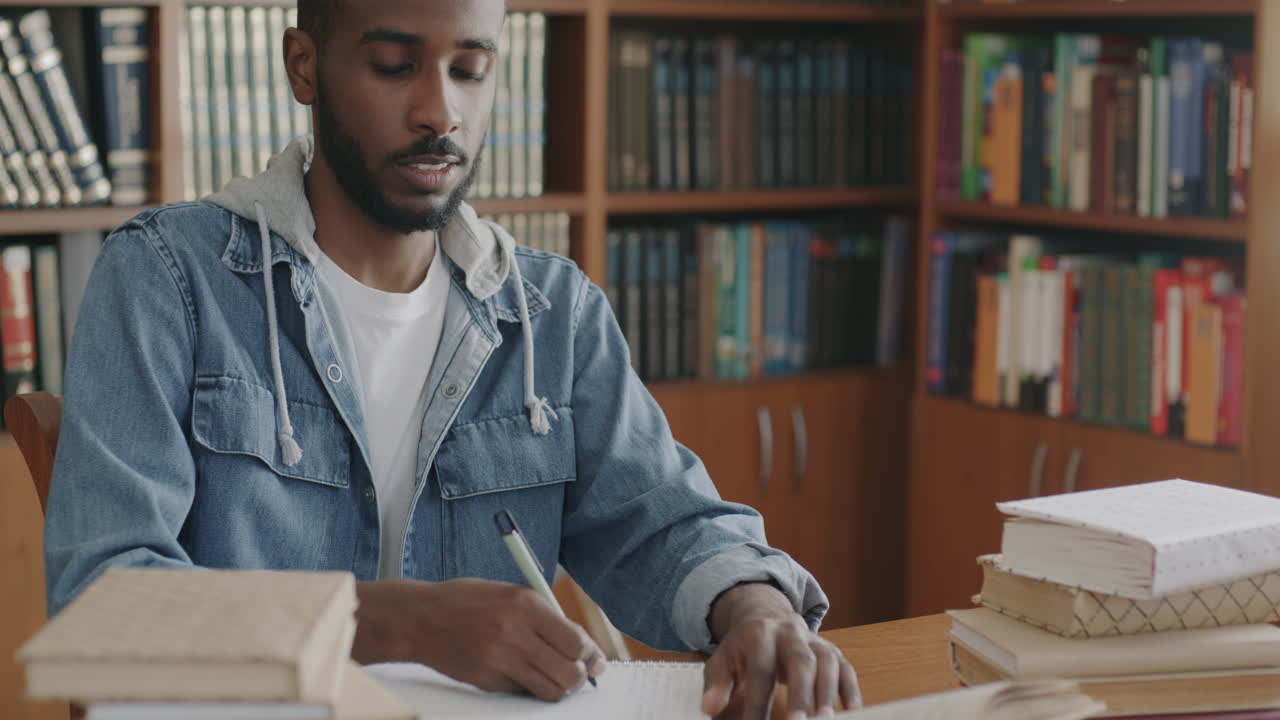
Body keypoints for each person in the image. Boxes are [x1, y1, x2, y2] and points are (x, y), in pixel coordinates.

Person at [42, 0, 859, 717]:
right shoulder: (165, 277)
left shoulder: (552, 312)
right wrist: (399, 622)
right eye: (395, 66)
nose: (441, 110)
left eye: (471, 70)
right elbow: (106, 598)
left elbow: (662, 524)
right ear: (305, 66)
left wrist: (755, 608)